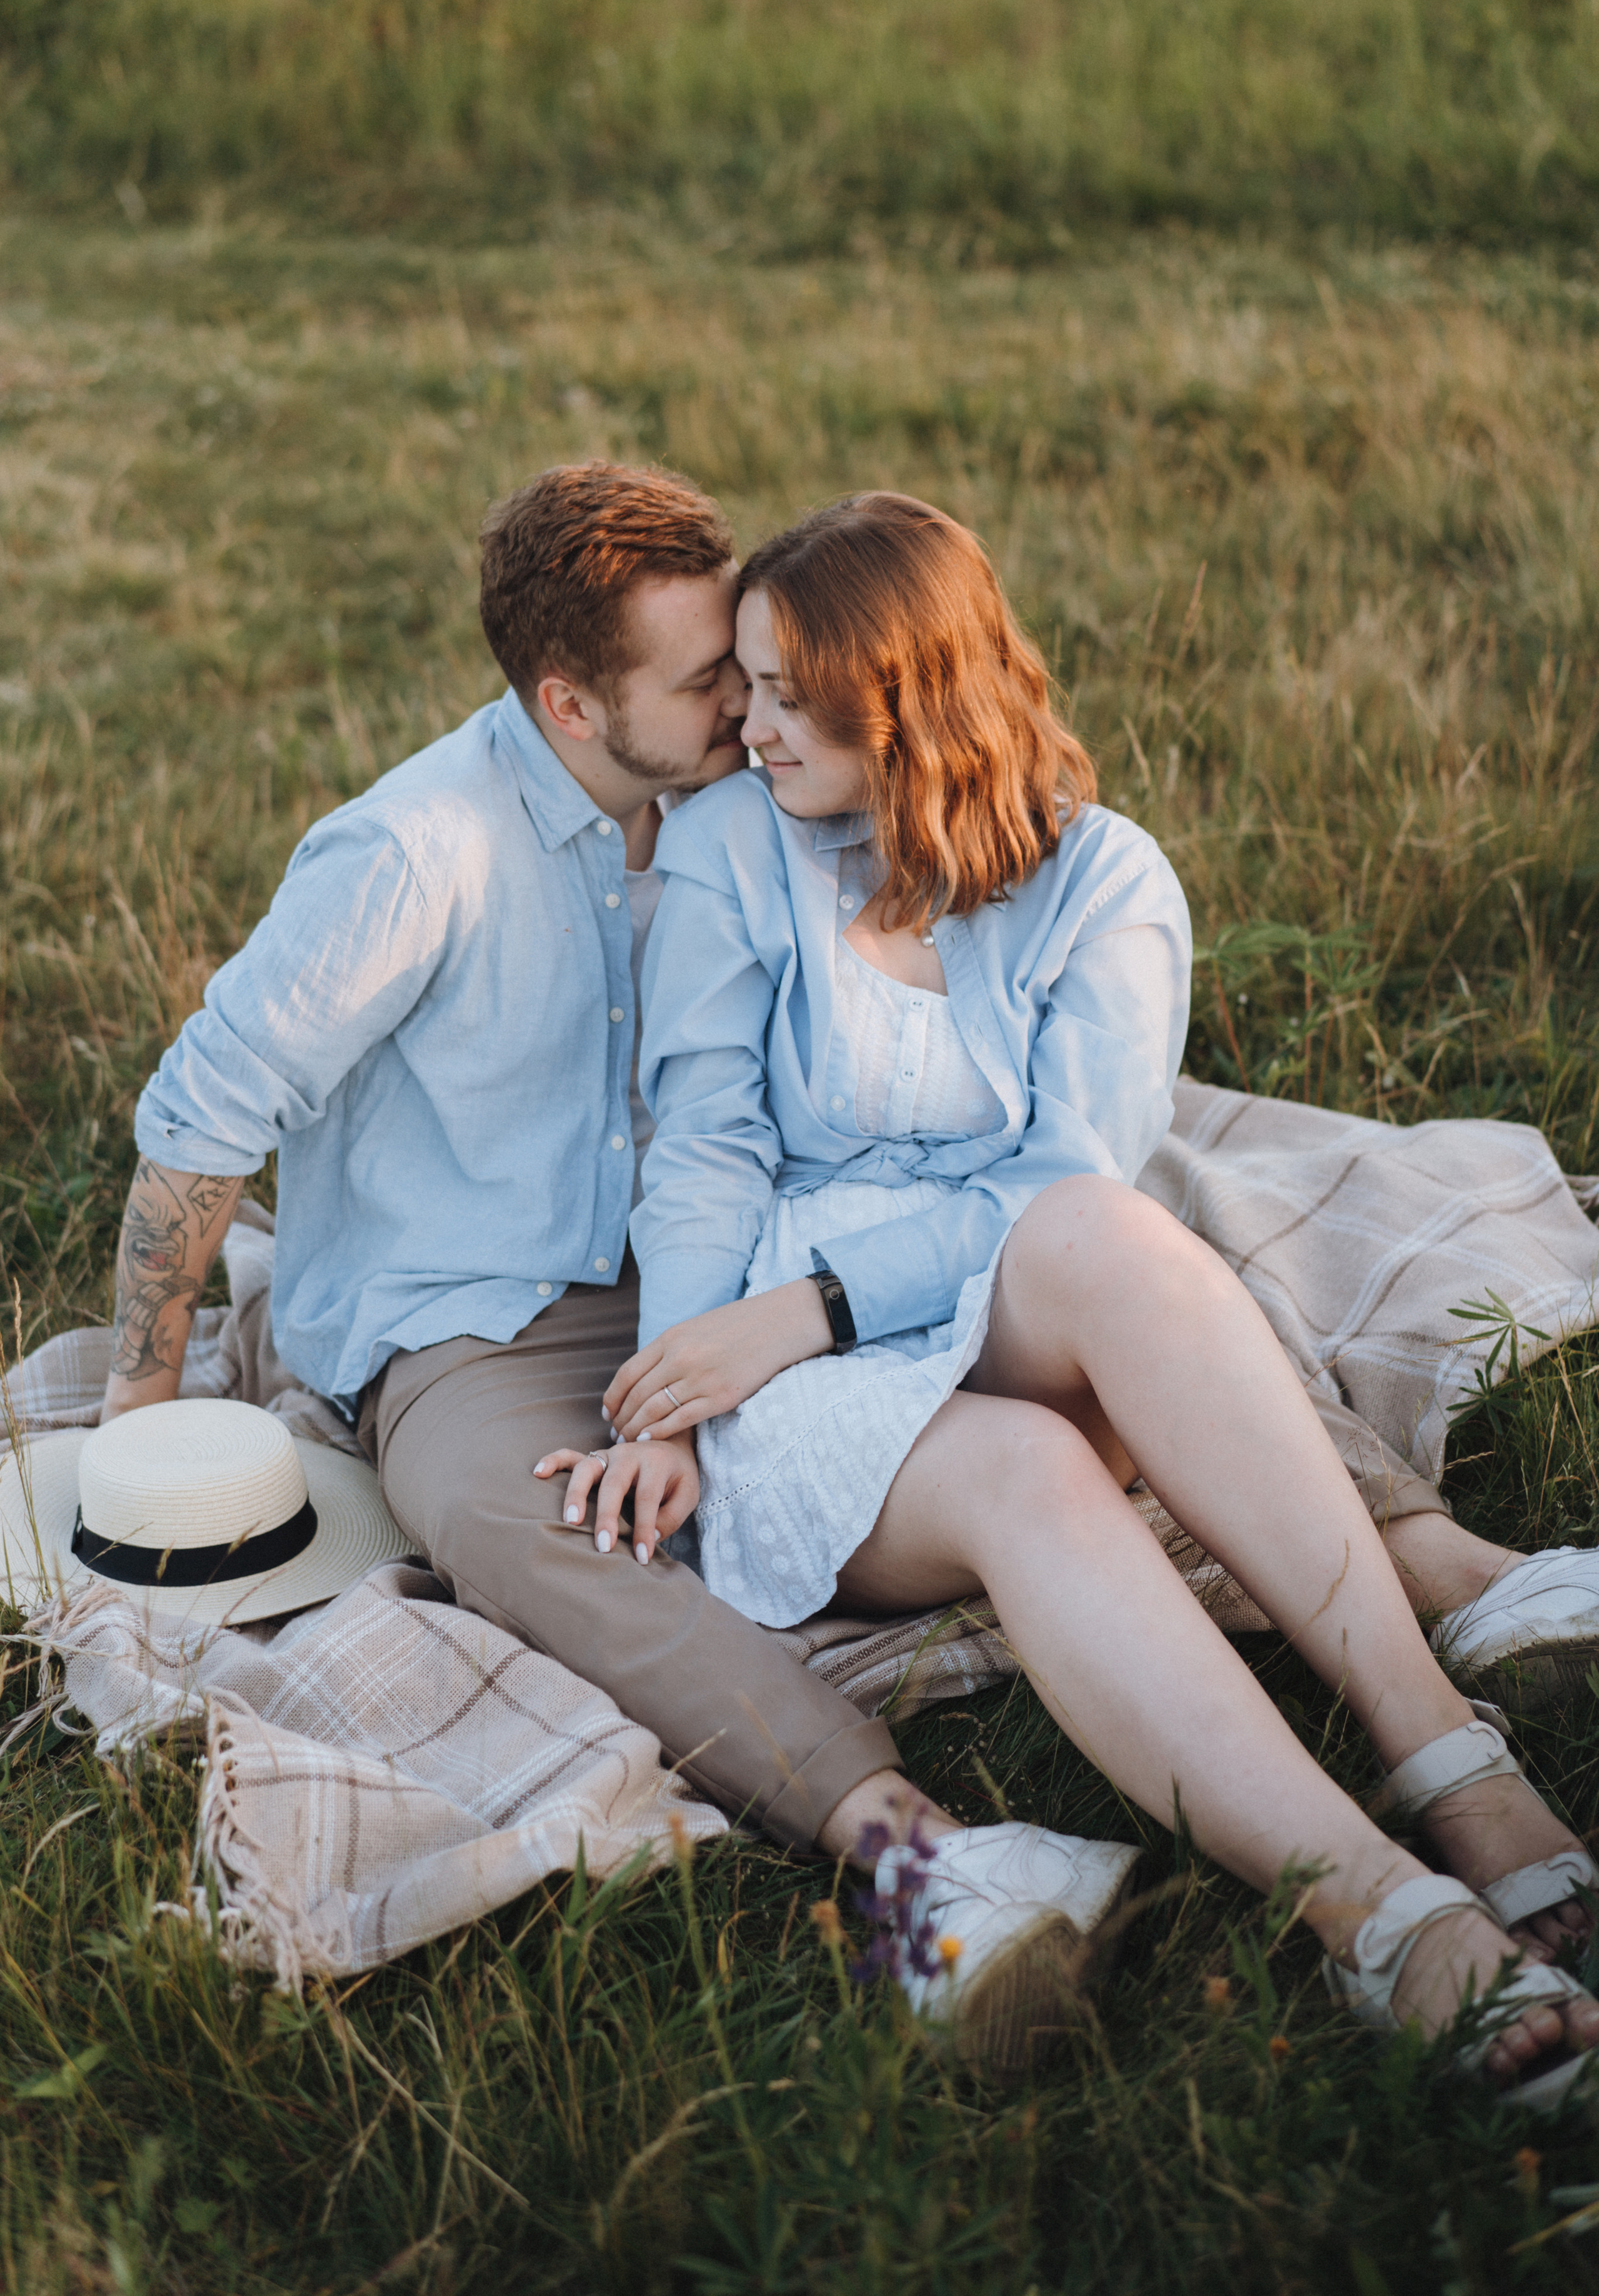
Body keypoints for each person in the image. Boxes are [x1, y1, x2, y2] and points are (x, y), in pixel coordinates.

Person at [543, 491, 1599, 2104]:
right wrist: (699, 1369)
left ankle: (1441, 1747)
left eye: (783, 695)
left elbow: (1062, 1178)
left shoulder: (1102, 881)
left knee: (1103, 1223)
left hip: (989, 1301)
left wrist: (824, 1299)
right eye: (740, 686)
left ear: (903, 699)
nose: (743, 729)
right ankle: (1379, 1915)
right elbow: (705, 1138)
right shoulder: (731, 847)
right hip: (818, 1374)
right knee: (1031, 1461)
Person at [99, 463, 1147, 2074]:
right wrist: (139, 1422)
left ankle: (1436, 1577)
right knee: (517, 1525)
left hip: (727, 1258)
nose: (754, 698)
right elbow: (199, 1119)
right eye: (712, 679)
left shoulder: (745, 807)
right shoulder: (409, 855)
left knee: (1104, 1288)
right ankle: (907, 1856)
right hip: (475, 1323)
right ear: (570, 703)